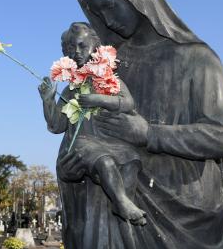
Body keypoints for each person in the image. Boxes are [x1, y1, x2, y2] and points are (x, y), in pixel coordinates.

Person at [56, 0, 223, 248]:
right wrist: (70, 171)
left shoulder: (197, 59)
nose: (107, 19)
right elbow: (83, 135)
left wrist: (148, 133)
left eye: (111, 6)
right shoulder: (106, 66)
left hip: (187, 214)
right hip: (119, 208)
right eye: (99, 11)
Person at [39, 22, 146, 225]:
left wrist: (97, 99)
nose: (77, 52)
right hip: (77, 150)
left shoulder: (109, 81)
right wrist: (47, 101)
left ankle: (123, 210)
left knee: (131, 159)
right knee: (103, 159)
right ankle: (121, 201)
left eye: (82, 46)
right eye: (71, 48)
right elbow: (56, 126)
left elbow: (128, 103)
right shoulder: (71, 89)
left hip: (108, 145)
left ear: (95, 48)